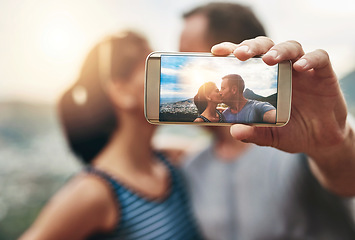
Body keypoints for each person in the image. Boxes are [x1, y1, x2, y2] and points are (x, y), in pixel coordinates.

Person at [179, 2, 355, 240]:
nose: (181, 73)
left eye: (188, 56)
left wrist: (334, 144)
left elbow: (348, 181)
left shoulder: (300, 147)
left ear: (236, 57)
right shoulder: (192, 166)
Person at [20, 31, 202, 240]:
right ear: (121, 91)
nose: (173, 77)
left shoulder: (171, 159)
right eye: (155, 68)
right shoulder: (93, 192)